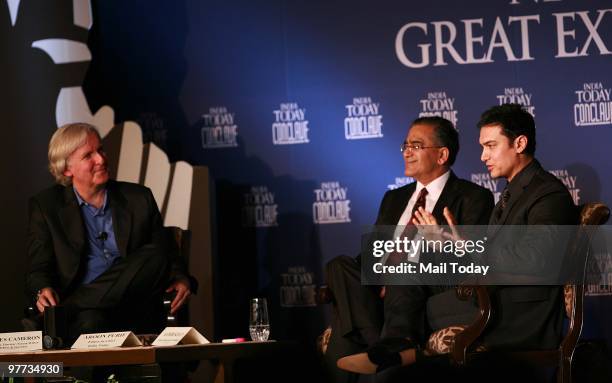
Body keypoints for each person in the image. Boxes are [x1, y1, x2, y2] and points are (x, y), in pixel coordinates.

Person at [338, 104, 577, 377]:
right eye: (482, 147)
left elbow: (538, 259)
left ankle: (393, 355)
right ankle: (396, 347)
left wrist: (464, 246)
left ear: (519, 143)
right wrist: (447, 245)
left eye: (490, 146)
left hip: (517, 312)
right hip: (495, 294)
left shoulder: (547, 194)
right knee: (413, 265)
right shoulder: (514, 191)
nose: (483, 156)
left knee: (415, 301)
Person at [324, 116, 493, 382]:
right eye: (405, 146)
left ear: (442, 154)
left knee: (345, 332)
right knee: (338, 266)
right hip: (377, 295)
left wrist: (440, 241)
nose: (407, 152)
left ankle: (380, 349)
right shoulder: (394, 198)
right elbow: (371, 255)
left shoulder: (473, 197)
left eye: (416, 145)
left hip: (422, 292)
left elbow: (474, 261)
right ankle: (381, 344)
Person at [26, 122, 195, 341]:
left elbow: (166, 254)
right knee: (91, 323)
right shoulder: (46, 206)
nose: (101, 159)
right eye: (88, 156)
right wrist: (42, 289)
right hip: (90, 314)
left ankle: (65, 311)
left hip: (136, 303)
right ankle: (73, 317)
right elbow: (38, 269)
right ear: (67, 169)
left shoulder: (139, 198)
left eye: (101, 150)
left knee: (156, 254)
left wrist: (181, 278)